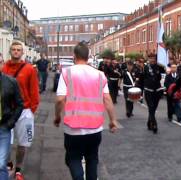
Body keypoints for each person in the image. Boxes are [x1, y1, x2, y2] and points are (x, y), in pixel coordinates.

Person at [54, 42, 118, 180]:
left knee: (72, 158)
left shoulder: (66, 73)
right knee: (92, 159)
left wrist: (57, 117)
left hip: (73, 128)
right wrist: (113, 121)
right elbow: (107, 99)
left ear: (74, 56)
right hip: (94, 129)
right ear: (88, 57)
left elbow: (60, 100)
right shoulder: (100, 74)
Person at [3, 41, 40, 180]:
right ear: (10, 51)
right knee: (5, 142)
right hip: (7, 111)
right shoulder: (4, 68)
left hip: (24, 111)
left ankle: (18, 169)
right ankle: (8, 164)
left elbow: (34, 91)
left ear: (22, 52)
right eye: (14, 49)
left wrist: (32, 109)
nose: (16, 52)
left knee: (23, 143)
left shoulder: (29, 69)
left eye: (19, 50)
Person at [0, 59, 24, 180]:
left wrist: (11, 122)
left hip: (4, 127)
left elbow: (20, 104)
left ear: (2, 64)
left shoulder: (11, 82)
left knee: (1, 164)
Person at [138, 53, 165, 134]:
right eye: (150, 58)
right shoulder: (145, 68)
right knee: (151, 107)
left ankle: (149, 122)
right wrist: (140, 93)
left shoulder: (158, 67)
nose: (152, 60)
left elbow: (163, 73)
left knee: (153, 109)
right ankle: (154, 124)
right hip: (148, 91)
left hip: (157, 92)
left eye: (154, 58)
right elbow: (141, 80)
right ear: (148, 59)